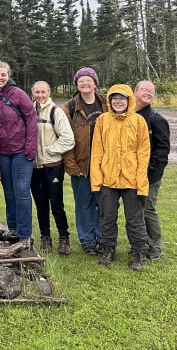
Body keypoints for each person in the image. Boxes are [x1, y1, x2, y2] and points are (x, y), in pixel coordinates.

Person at [90, 84, 151, 270]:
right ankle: (108, 249)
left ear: (129, 100)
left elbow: (143, 153)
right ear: (109, 101)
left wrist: (141, 182)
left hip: (132, 179)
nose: (118, 102)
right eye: (114, 98)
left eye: (122, 99)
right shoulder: (102, 120)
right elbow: (97, 152)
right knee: (107, 217)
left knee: (134, 219)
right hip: (108, 179)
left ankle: (139, 251)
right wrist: (96, 181)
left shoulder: (139, 121)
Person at [0, 61, 38, 247]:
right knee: (9, 192)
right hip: (3, 153)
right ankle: (12, 229)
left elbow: (31, 119)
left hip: (21, 152)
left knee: (22, 192)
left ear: (8, 76)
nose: (0, 77)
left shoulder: (18, 94)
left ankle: (25, 234)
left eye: (3, 74)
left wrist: (30, 148)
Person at [62, 67, 107, 255]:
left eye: (89, 80)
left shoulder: (107, 103)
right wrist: (71, 166)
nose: (85, 83)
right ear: (76, 84)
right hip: (82, 165)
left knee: (103, 204)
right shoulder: (70, 108)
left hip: (105, 165)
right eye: (81, 80)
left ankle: (103, 238)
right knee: (84, 204)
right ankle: (87, 240)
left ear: (95, 83)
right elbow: (65, 138)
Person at [30, 81, 75, 254]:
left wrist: (50, 150)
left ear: (49, 92)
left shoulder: (56, 111)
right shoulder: (29, 111)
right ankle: (45, 238)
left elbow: (68, 139)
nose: (40, 95)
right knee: (41, 205)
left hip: (53, 166)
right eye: (37, 92)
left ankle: (64, 238)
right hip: (35, 166)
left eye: (43, 92)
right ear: (32, 93)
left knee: (56, 204)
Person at [134, 80, 170, 260]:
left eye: (151, 91)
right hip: (129, 173)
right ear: (135, 92)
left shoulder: (156, 119)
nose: (148, 93)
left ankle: (155, 245)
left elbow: (163, 150)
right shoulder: (127, 115)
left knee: (148, 208)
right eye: (144, 90)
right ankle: (140, 243)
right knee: (135, 210)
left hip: (149, 175)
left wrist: (151, 172)